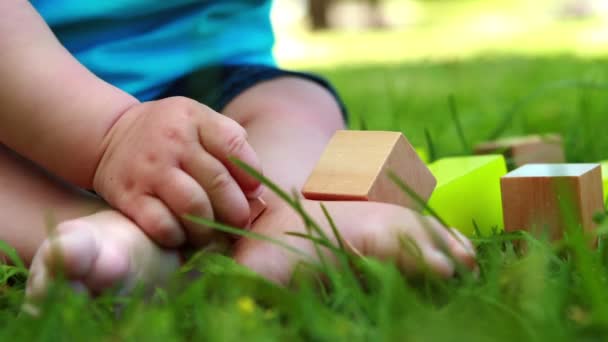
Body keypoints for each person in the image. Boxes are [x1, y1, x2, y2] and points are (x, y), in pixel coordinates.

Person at [0, 0, 476, 298]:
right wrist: (112, 134)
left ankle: (280, 218)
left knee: (296, 105)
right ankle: (86, 231)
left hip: (217, 85)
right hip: (18, 113)